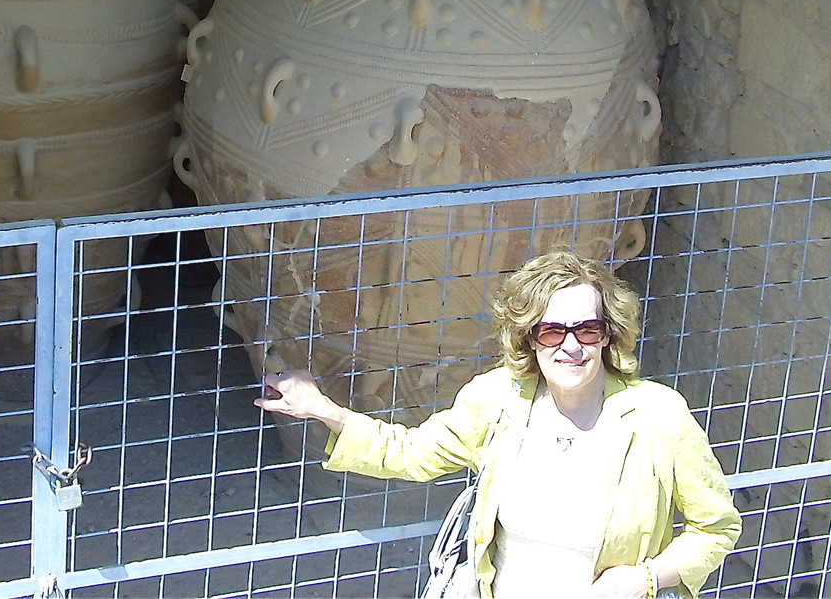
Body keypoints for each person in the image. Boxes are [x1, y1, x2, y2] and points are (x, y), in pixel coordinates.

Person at [255, 250, 741, 598]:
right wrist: (326, 410)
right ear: (528, 337)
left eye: (587, 329)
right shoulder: (498, 399)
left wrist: (646, 579)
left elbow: (716, 528)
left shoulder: (659, 415)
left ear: (608, 336)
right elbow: (414, 453)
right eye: (552, 330)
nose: (570, 346)